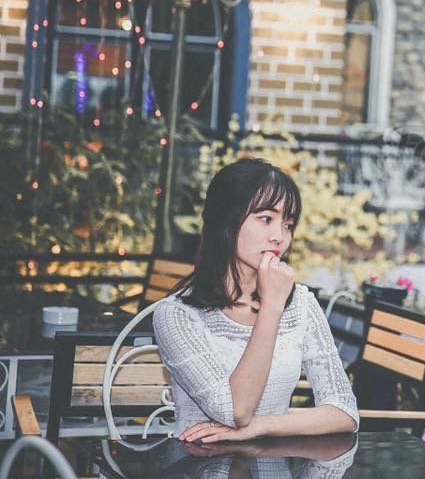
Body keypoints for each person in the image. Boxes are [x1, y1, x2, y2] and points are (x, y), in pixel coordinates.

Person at [153, 158, 359, 444]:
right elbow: (235, 411)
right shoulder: (177, 314)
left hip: (274, 460)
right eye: (266, 219)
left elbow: (345, 412)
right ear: (226, 219)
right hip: (200, 460)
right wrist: (271, 307)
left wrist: (262, 426)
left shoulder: (300, 303)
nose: (279, 237)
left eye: (288, 224)